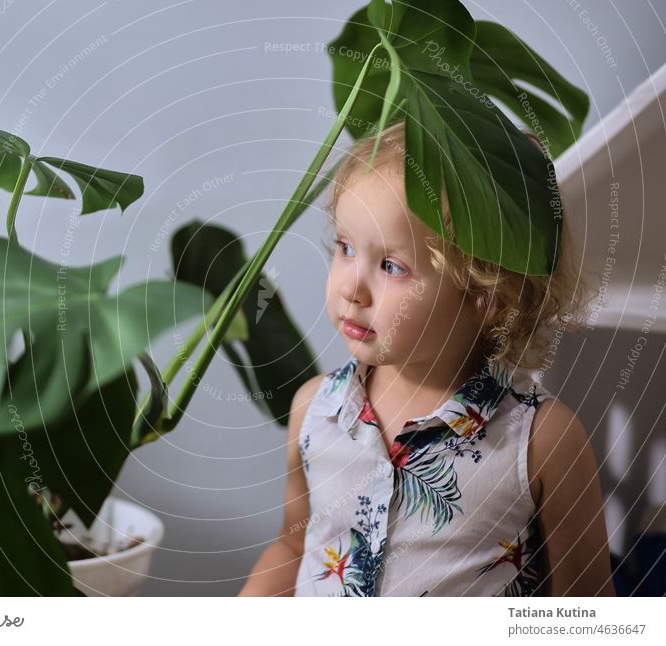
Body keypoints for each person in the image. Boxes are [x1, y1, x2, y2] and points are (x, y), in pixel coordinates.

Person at [238, 120, 615, 597]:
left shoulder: (543, 442)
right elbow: (293, 547)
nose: (351, 288)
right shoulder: (314, 409)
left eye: (391, 265)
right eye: (345, 247)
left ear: (488, 294)